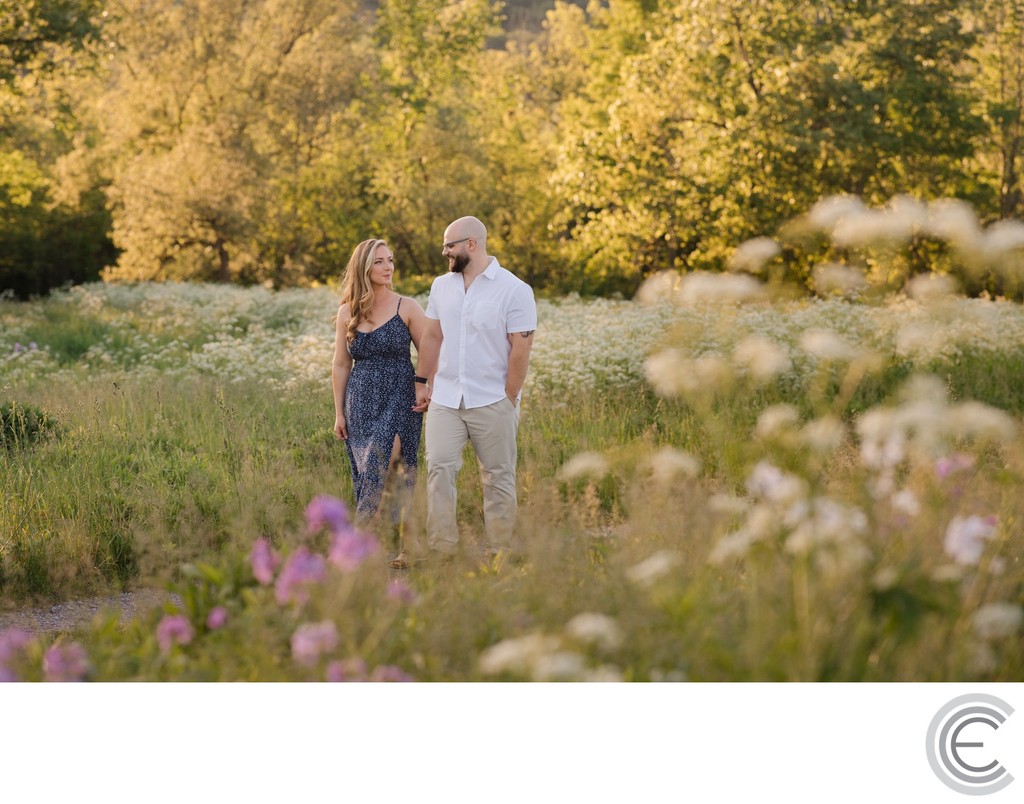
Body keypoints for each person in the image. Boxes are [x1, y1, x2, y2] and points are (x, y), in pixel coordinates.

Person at [413, 216, 537, 560]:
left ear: (472, 244)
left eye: (449, 245)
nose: (444, 252)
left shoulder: (514, 289)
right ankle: (442, 550)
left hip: (493, 399)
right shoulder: (442, 286)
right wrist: (421, 381)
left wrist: (509, 397)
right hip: (446, 398)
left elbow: (521, 347)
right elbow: (432, 336)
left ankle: (500, 551)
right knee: (439, 469)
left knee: (498, 476)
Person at [332, 238, 428, 568]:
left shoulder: (407, 306)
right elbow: (341, 364)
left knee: (382, 463)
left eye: (390, 260)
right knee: (381, 475)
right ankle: (406, 546)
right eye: (379, 262)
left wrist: (423, 385)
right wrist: (338, 412)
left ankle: (355, 545)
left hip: (400, 396)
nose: (388, 267)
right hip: (360, 402)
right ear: (364, 268)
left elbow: (430, 348)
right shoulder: (347, 311)